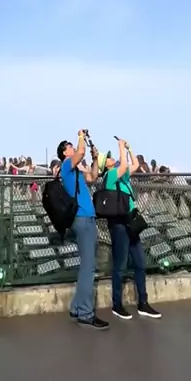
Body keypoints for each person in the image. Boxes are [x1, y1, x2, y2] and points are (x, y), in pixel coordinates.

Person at [103, 138, 161, 320]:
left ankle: (143, 302)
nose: (112, 158)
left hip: (130, 221)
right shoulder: (110, 176)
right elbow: (123, 166)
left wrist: (129, 149)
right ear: (105, 165)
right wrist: (121, 147)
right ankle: (117, 304)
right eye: (108, 158)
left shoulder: (122, 177)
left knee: (140, 263)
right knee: (120, 266)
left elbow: (134, 164)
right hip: (119, 224)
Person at [58, 131, 109, 330]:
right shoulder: (66, 165)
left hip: (86, 218)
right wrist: (81, 137)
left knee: (86, 267)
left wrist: (95, 159)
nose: (73, 147)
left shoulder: (76, 171)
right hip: (82, 219)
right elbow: (80, 152)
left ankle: (76, 307)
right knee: (89, 268)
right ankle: (86, 313)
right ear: (64, 153)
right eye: (69, 146)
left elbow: (93, 177)